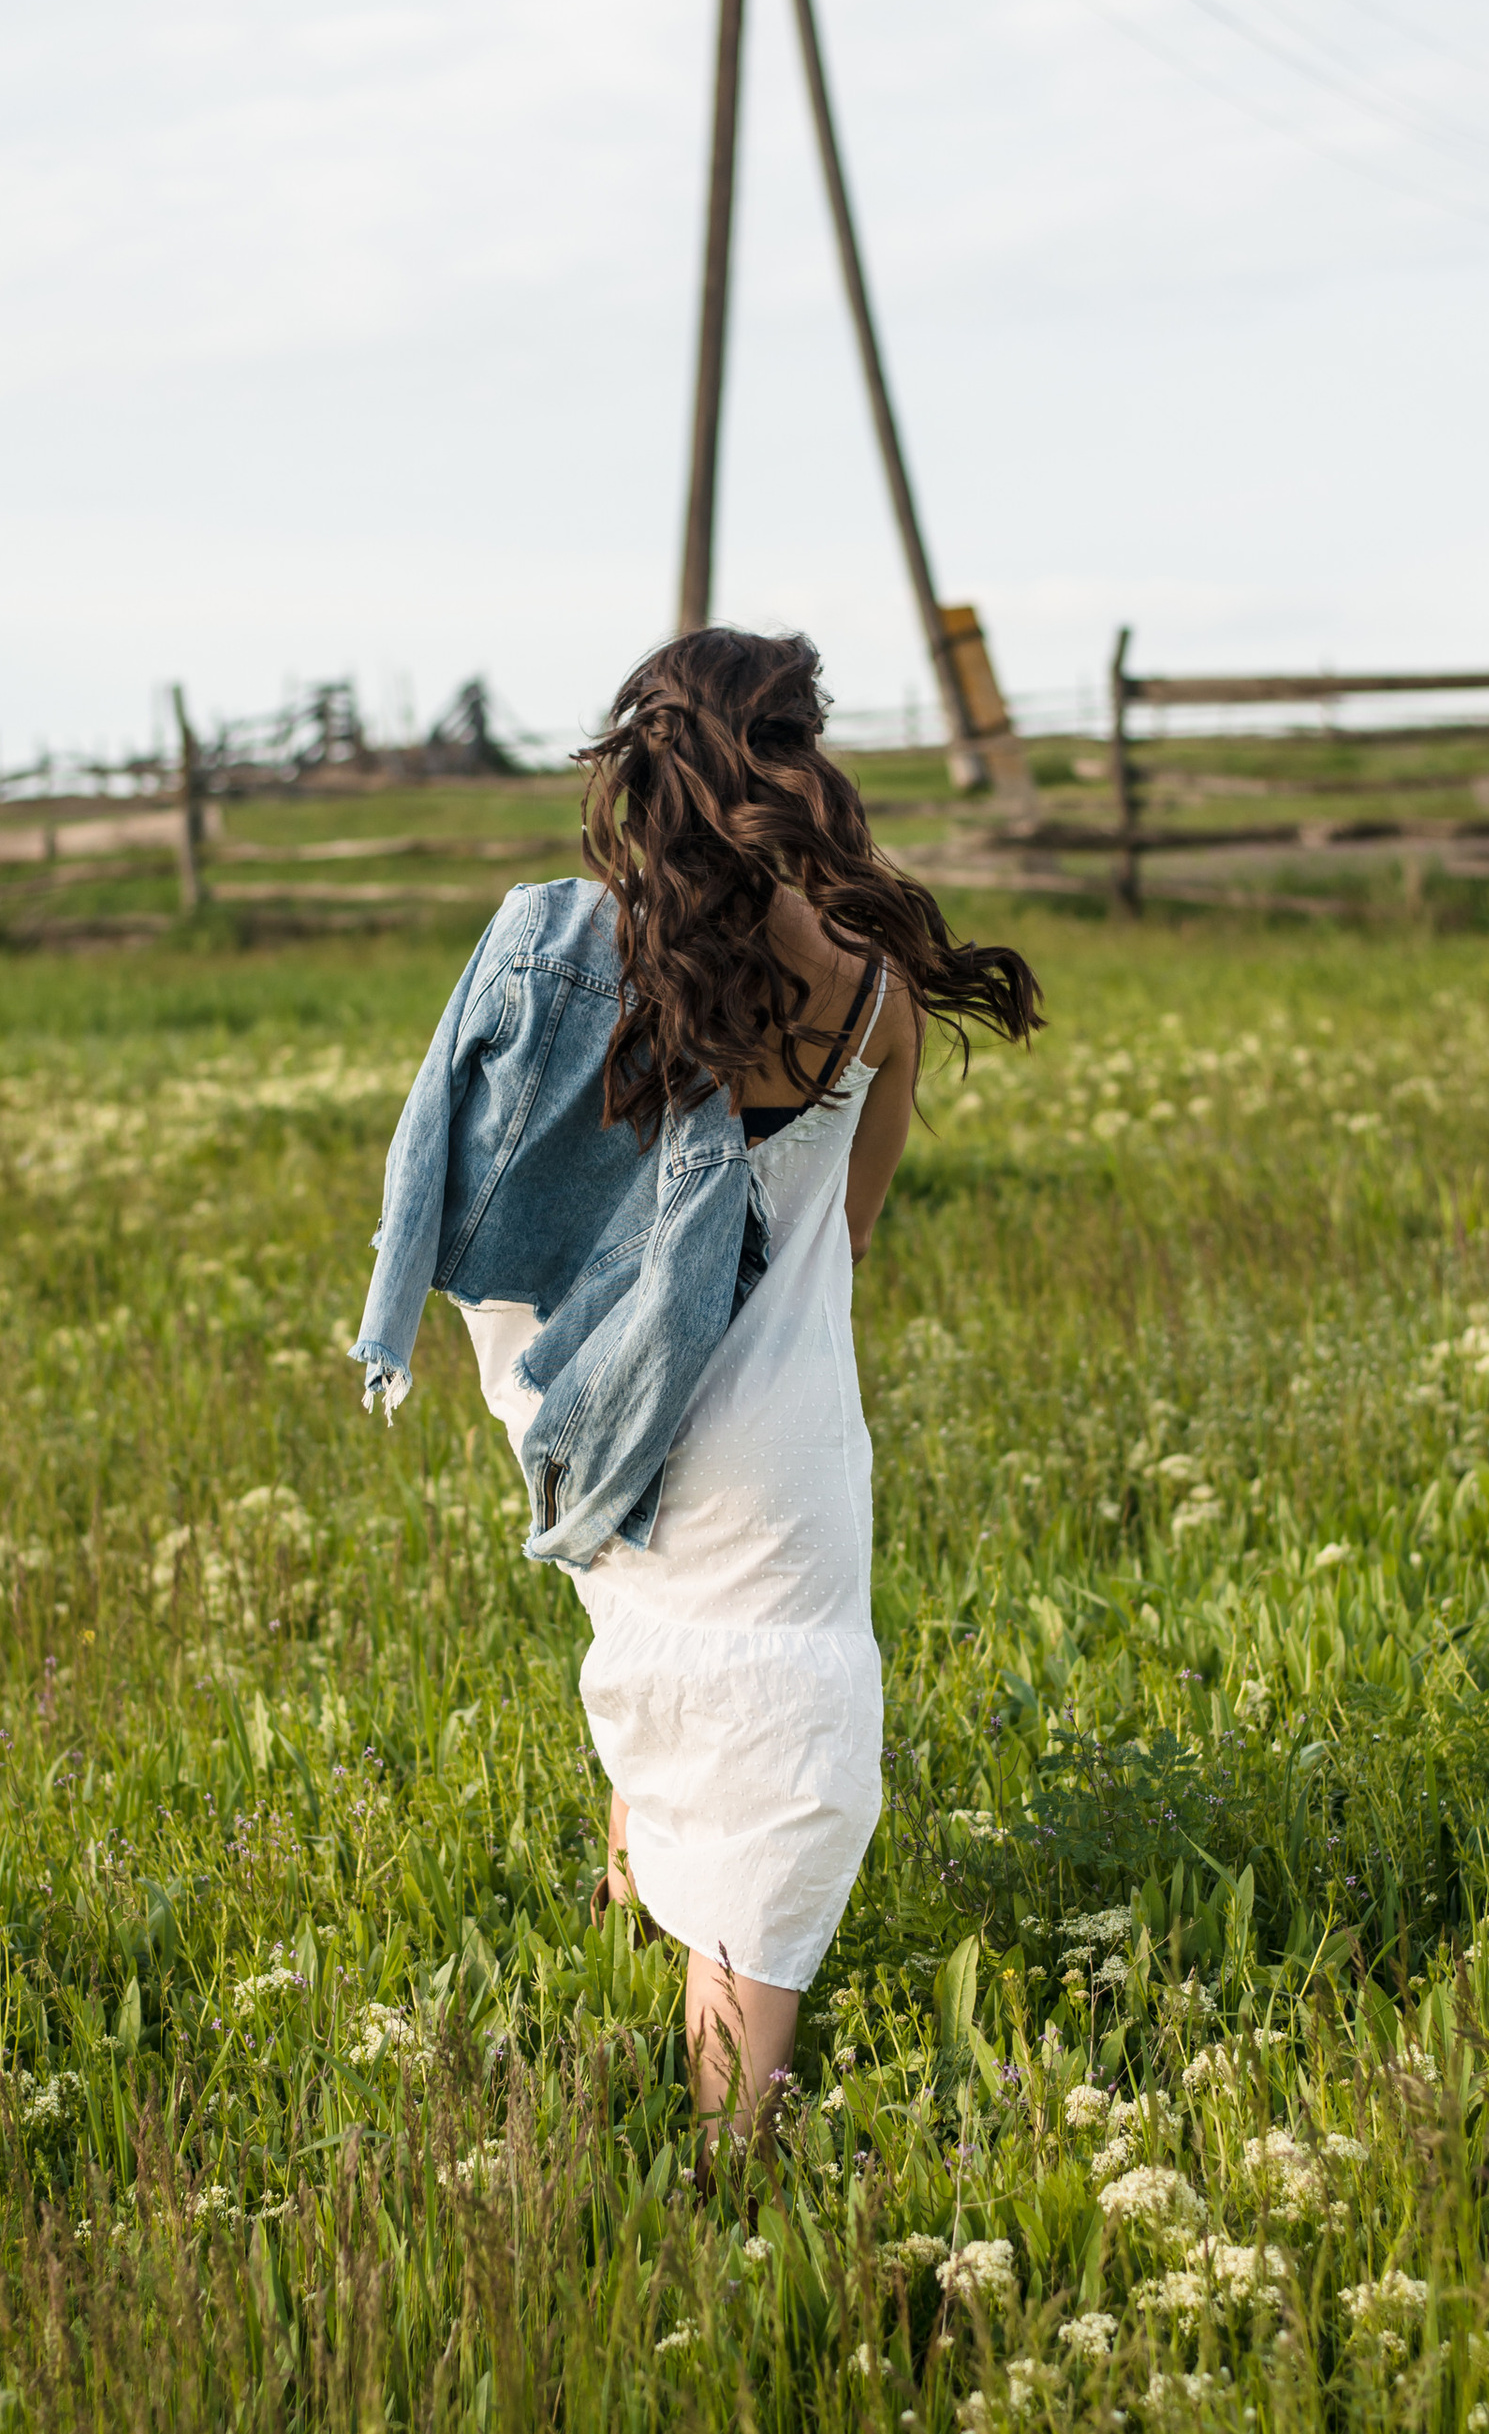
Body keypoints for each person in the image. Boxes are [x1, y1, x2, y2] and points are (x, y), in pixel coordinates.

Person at [353, 626, 1040, 2156]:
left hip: (581, 1400)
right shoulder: (866, 992)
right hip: (761, 1417)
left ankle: (622, 1918)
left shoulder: (584, 961)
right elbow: (842, 1242)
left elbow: (489, 1190)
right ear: (801, 767)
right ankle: (735, 2157)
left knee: (649, 1635)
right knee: (784, 1742)